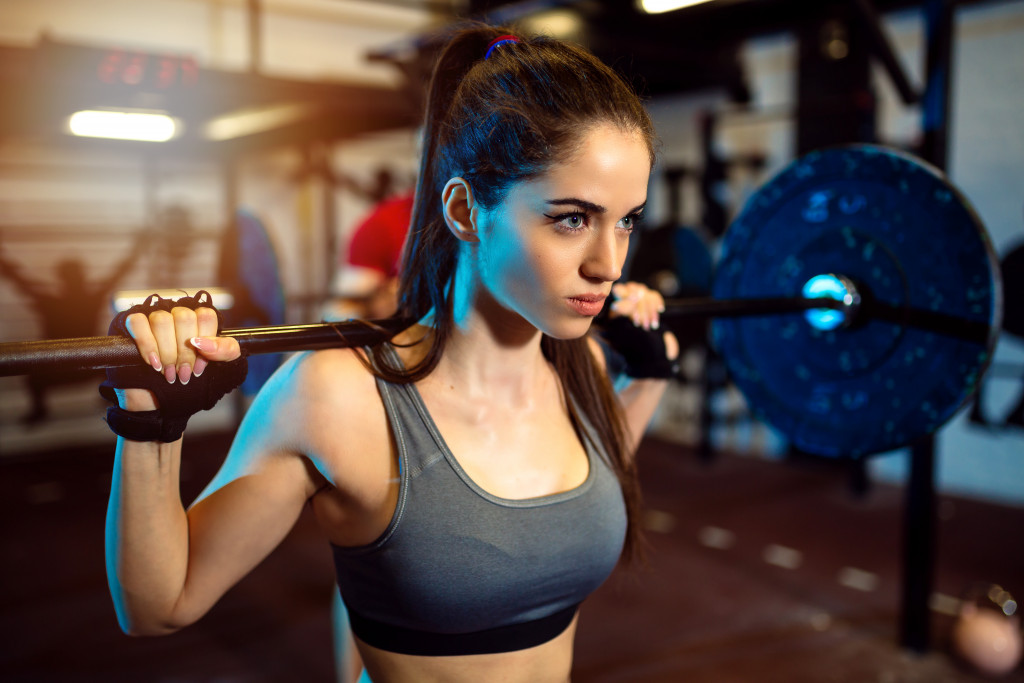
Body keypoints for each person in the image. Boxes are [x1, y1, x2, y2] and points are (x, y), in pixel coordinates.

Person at [103, 23, 678, 683]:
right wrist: (150, 421)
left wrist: (652, 375)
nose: (609, 262)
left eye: (626, 220)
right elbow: (159, 603)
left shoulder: (586, 370)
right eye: (571, 218)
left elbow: (576, 500)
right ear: (464, 211)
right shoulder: (336, 397)